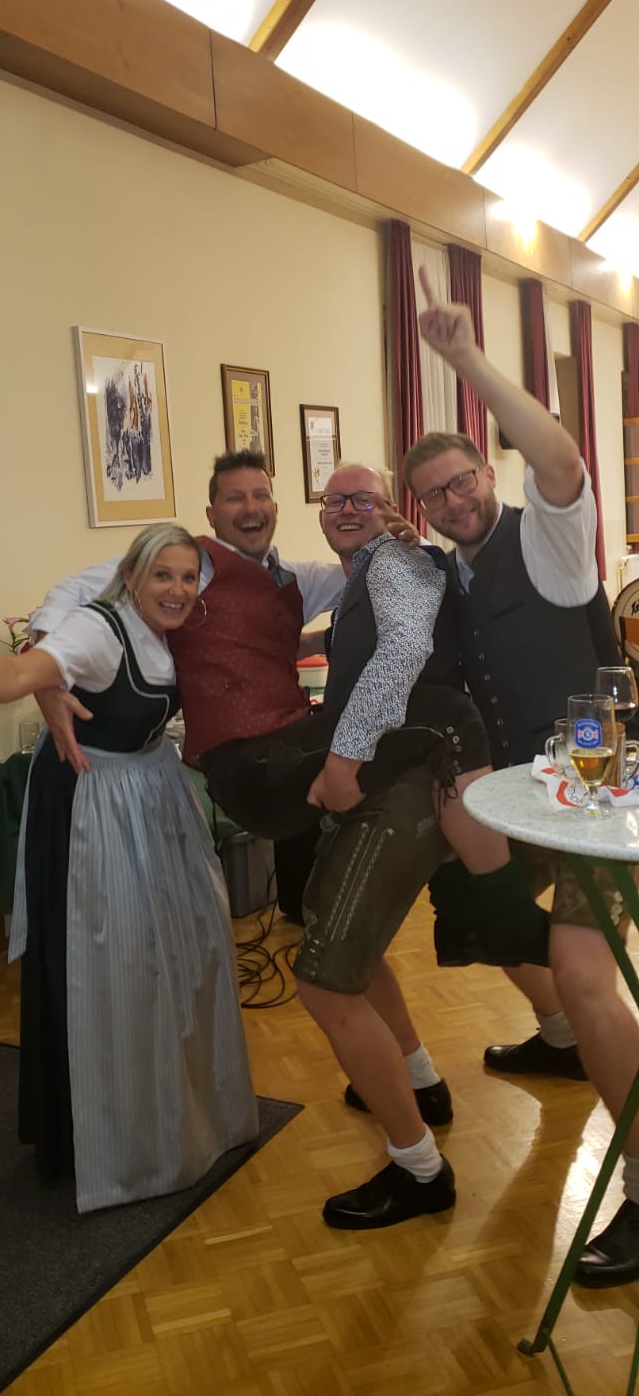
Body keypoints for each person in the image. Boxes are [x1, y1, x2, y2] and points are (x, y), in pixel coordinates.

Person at [32, 451, 462, 1166]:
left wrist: (402, 542)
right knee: (426, 724)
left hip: (289, 753)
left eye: (261, 495)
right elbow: (71, 590)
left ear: (277, 505)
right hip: (253, 769)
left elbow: (364, 578)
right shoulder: (187, 564)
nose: (251, 508)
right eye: (235, 498)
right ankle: (468, 818)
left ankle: (419, 1079)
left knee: (338, 930)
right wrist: (47, 670)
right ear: (212, 513)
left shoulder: (295, 577)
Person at [0, 524, 258, 1215]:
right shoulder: (98, 632)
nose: (176, 588)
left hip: (154, 793)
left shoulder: (176, 618)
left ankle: (193, 1116)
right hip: (94, 801)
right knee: (121, 964)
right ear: (130, 577)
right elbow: (21, 675)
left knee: (191, 952)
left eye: (187, 577)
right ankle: (120, 1142)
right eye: (161, 575)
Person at [404, 265, 639, 1286]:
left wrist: (464, 356)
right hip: (527, 793)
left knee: (589, 976)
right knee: (472, 897)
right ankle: (555, 1034)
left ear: (486, 475)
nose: (456, 500)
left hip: (600, 792)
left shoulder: (545, 538)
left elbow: (561, 455)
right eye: (436, 493)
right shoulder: (447, 572)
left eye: (465, 480)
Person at [290, 459, 548, 1231]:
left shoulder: (395, 562)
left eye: (361, 498)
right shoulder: (365, 571)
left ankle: (419, 1170)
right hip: (418, 771)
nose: (345, 508)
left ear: (388, 507)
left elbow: (402, 650)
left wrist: (342, 759)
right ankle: (428, 1076)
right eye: (333, 499)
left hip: (406, 780)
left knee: (326, 974)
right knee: (415, 931)